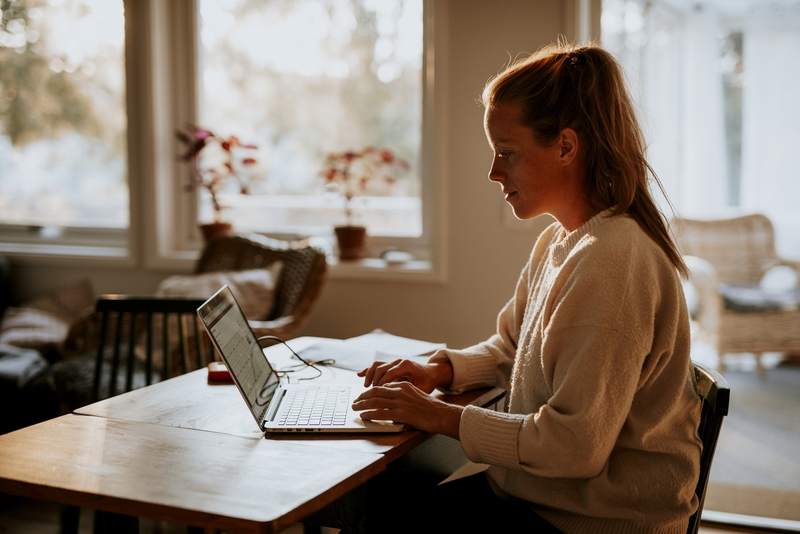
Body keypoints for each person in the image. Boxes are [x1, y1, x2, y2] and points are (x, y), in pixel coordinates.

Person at [351, 42, 703, 534]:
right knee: (386, 507)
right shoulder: (562, 242)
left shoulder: (614, 260)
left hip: (591, 522)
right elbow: (511, 348)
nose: (494, 173)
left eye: (507, 154)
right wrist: (441, 368)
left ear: (565, 146)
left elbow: (574, 445)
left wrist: (440, 417)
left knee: (382, 516)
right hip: (546, 501)